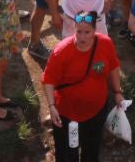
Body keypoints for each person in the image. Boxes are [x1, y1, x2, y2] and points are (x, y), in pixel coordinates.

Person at [39, 10, 124, 162]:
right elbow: (49, 80)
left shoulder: (105, 44)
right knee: (67, 153)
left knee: (91, 150)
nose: (82, 37)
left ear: (95, 30)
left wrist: (117, 91)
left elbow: (114, 67)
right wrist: (51, 106)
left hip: (95, 112)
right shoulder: (62, 51)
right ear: (74, 28)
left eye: (87, 32)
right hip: (67, 115)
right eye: (79, 32)